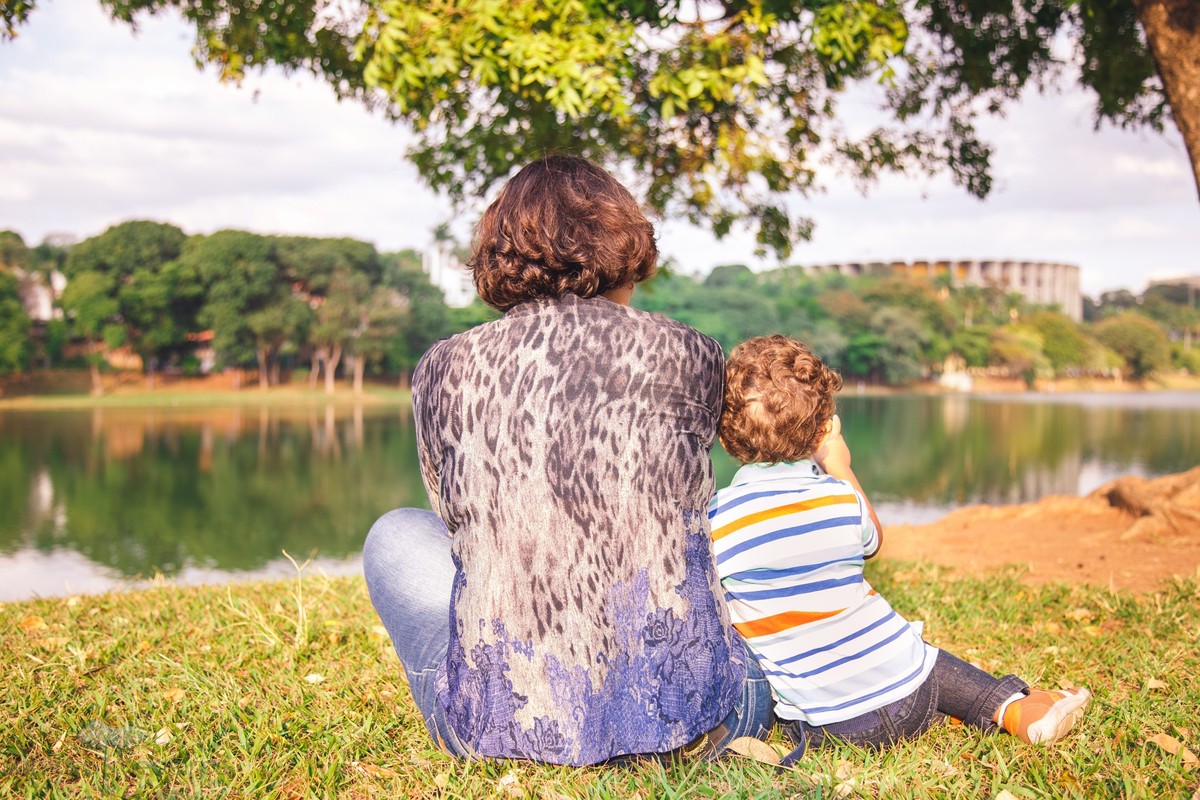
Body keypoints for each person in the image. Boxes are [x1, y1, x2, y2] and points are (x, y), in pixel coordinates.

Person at [362, 155, 772, 766]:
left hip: (500, 727)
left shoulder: (442, 368)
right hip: (699, 720)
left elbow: (456, 523)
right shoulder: (693, 351)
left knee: (396, 534)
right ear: (623, 246)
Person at [708, 334, 1091, 766]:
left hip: (827, 728)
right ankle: (1015, 708)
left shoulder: (717, 519)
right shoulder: (840, 498)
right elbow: (873, 539)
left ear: (725, 440)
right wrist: (839, 464)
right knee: (923, 657)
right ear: (822, 430)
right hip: (910, 697)